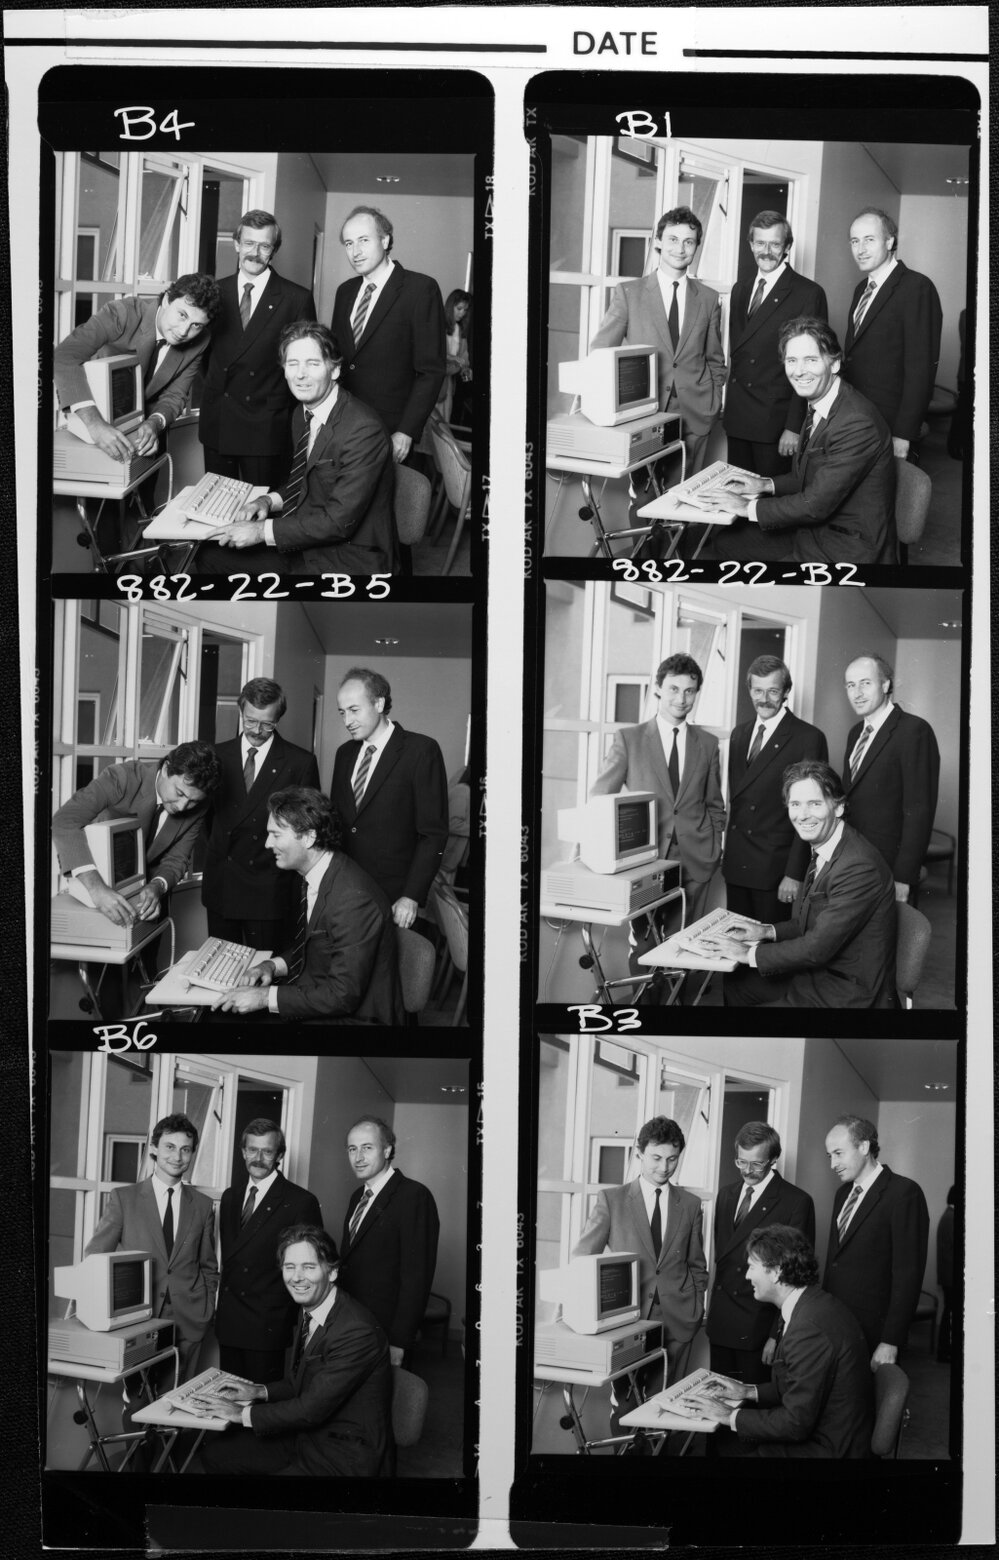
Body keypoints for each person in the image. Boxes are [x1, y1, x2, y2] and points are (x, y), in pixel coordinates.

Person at [197, 323, 398, 576]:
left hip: (348, 557)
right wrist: (266, 501)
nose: (300, 375)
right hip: (314, 534)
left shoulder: (363, 430)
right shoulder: (301, 413)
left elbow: (338, 522)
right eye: (293, 364)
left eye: (313, 364)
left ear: (334, 369)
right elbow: (305, 482)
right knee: (210, 547)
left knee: (211, 558)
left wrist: (261, 531)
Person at [194, 1225, 391, 1477]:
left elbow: (311, 1409)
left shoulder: (356, 1331)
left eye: (308, 1267)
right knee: (216, 1453)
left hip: (343, 1454)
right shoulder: (312, 1307)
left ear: (331, 1272)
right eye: (290, 1267)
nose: (297, 1278)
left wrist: (240, 1413)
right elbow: (303, 1380)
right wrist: (259, 1391)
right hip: (309, 1436)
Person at [702, 317, 896, 565]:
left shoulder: (857, 422)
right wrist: (763, 485)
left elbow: (816, 505)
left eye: (811, 360)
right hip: (817, 530)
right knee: (728, 541)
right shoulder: (820, 401)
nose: (799, 371)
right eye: (791, 361)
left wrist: (744, 507)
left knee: (734, 545)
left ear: (834, 363)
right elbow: (810, 476)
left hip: (845, 547)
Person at [211, 786, 403, 1024]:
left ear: (310, 837)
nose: (268, 844)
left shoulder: (353, 899)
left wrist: (264, 997)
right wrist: (271, 966)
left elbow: (343, 996)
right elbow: (315, 948)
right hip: (323, 994)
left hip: (358, 1019)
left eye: (277, 834)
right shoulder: (319, 874)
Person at [720, 760, 897, 1008]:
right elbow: (815, 923)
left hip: (846, 994)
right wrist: (766, 931)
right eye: (795, 804)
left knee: (744, 977)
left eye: (814, 804)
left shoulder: (858, 866)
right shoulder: (828, 844)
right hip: (820, 976)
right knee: (737, 983)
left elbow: (817, 948)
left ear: (838, 807)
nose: (802, 815)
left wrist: (747, 953)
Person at [693, 1225, 873, 1458]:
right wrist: (747, 1391)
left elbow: (795, 1423)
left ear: (776, 1272)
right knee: (729, 1444)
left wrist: (728, 1415)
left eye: (752, 1267)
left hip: (830, 1448)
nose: (747, 1276)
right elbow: (799, 1385)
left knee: (729, 1447)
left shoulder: (809, 1328)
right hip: (830, 1430)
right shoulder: (813, 1305)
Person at [591, 653, 725, 949]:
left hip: (696, 859)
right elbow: (599, 800)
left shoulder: (708, 744)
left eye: (689, 691)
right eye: (674, 689)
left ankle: (674, 997)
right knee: (645, 944)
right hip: (645, 861)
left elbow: (715, 804)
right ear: (658, 690)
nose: (682, 698)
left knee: (686, 944)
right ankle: (647, 995)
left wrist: (714, 848)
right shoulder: (630, 739)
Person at [574, 1116, 707, 1401]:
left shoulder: (691, 1205)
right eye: (656, 1158)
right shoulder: (612, 1200)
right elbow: (583, 1260)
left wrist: (696, 1307)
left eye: (672, 1159)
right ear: (639, 1153)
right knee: (626, 1404)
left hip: (679, 1319)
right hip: (627, 1321)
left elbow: (697, 1264)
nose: (664, 1167)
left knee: (666, 1404)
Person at [591, 205, 725, 475]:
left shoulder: (709, 299)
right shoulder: (630, 293)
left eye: (689, 242)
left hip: (697, 413)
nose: (680, 248)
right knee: (645, 498)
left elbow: (715, 359)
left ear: (696, 247)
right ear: (659, 243)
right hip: (644, 413)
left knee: (685, 497)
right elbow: (601, 353)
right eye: (673, 240)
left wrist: (713, 401)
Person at [85, 1114, 217, 1381]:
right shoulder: (125, 1199)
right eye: (170, 1147)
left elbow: (208, 1266)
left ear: (192, 1154)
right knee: (138, 1403)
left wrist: (206, 1308)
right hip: (138, 1320)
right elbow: (94, 1259)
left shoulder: (203, 1206)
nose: (177, 1156)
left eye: (185, 1149)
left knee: (179, 1403)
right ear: (154, 1149)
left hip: (190, 1319)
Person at [198, 209, 316, 487]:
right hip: (219, 423)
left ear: (274, 250)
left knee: (259, 515)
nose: (255, 252)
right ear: (236, 244)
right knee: (217, 510)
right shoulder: (214, 292)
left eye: (265, 245)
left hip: (266, 426)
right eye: (249, 243)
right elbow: (204, 359)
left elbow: (304, 364)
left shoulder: (296, 298)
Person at [202, 678, 320, 948]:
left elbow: (306, 832)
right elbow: (207, 822)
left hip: (270, 889)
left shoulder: (299, 763)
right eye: (250, 721)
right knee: (219, 972)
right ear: (241, 712)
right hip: (223, 886)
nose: (257, 730)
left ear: (278, 718)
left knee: (264, 976)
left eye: (267, 723)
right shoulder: (215, 756)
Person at [52, 741, 222, 928]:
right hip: (97, 891)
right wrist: (97, 889)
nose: (182, 807)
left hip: (152, 903)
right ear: (166, 769)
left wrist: (157, 886)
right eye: (179, 793)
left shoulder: (200, 807)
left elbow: (177, 859)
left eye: (192, 802)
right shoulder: (121, 778)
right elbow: (65, 820)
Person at [329, 668, 449, 930]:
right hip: (346, 891)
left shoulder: (420, 751)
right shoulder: (344, 754)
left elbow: (433, 834)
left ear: (379, 703)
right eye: (342, 712)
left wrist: (411, 896)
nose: (347, 720)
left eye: (354, 709)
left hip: (394, 898)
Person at [54, 273, 221, 461]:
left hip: (149, 434)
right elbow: (64, 356)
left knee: (146, 488)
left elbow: (175, 395)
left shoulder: (201, 340)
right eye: (182, 315)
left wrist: (155, 423)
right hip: (92, 420)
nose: (184, 332)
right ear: (166, 300)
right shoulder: (122, 314)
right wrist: (95, 425)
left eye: (196, 325)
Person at [330, 206, 446, 464]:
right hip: (343, 425)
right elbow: (339, 357)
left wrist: (406, 432)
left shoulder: (420, 289)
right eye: (349, 243)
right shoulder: (345, 292)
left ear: (385, 240)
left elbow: (431, 371)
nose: (355, 251)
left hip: (391, 431)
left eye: (363, 240)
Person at [214, 1118, 323, 1384]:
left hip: (267, 1323)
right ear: (243, 1152)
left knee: (260, 1410)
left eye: (267, 1151)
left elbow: (310, 1270)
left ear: (280, 1156)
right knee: (227, 1403)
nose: (258, 1158)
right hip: (230, 1321)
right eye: (252, 1149)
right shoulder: (230, 1196)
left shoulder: (300, 1201)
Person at [706, 1124, 815, 1385]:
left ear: (774, 1159)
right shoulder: (726, 1195)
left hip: (759, 1328)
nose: (747, 1171)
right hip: (722, 1324)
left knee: (752, 1411)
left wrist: (777, 1335)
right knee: (718, 1405)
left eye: (757, 1164)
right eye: (741, 1162)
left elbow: (796, 1278)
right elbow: (724, 1256)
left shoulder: (796, 1202)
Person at [723, 655, 828, 925]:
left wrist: (793, 874)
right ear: (749, 691)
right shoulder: (739, 734)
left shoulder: (808, 737)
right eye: (758, 690)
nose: (764, 698)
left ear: (786, 692)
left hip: (774, 869)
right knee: (734, 948)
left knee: (767, 956)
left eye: (773, 690)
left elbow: (811, 813)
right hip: (737, 864)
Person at [724, 211, 828, 478]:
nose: (766, 251)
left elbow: (810, 367)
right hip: (738, 417)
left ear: (787, 247)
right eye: (760, 243)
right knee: (735, 498)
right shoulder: (740, 289)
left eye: (775, 244)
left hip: (775, 422)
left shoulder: (807, 293)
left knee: (770, 507)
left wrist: (794, 427)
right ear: (751, 245)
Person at [823, 1116, 930, 1366]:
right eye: (829, 1155)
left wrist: (891, 1340)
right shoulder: (841, 1194)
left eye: (838, 1153)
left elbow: (908, 1275)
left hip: (874, 1334)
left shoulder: (904, 1193)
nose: (833, 1164)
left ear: (863, 1147)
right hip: (836, 1326)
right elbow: (834, 1262)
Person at [337, 1117, 440, 1367]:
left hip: (385, 1334)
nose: (358, 1157)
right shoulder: (356, 1197)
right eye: (352, 1149)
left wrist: (399, 1341)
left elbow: (416, 1277)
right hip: (350, 1327)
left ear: (387, 1150)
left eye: (367, 1147)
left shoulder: (414, 1196)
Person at [841, 207, 943, 459]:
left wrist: (904, 433)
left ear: (890, 241)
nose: (860, 249)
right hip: (857, 419)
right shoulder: (861, 289)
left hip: (891, 426)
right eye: (855, 241)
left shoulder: (917, 287)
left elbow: (921, 369)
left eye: (869, 239)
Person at [842, 654, 940, 905]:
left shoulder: (914, 731)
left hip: (888, 869)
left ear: (885, 685)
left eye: (866, 683)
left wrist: (904, 877)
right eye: (850, 685)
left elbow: (919, 810)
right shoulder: (855, 733)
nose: (857, 693)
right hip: (852, 862)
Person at [437, 289, 472, 425]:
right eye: (459, 308)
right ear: (450, 306)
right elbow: (435, 355)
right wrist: (455, 360)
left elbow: (464, 358)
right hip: (435, 383)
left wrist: (465, 369)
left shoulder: (460, 330)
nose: (462, 313)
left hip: (449, 384)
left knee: (444, 423)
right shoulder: (438, 325)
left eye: (465, 310)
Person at [936, 1185, 956, 1364]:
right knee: (950, 1313)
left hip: (947, 1276)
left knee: (949, 1312)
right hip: (951, 1277)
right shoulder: (952, 1218)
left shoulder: (948, 1215)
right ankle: (945, 1351)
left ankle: (945, 1350)